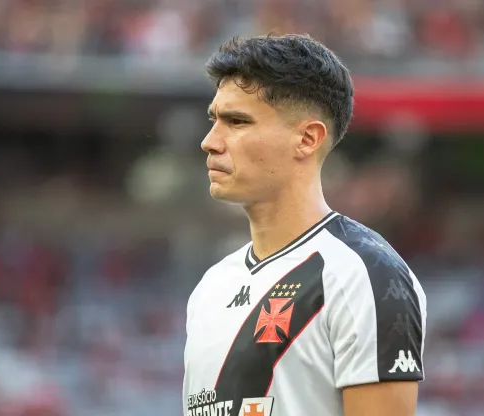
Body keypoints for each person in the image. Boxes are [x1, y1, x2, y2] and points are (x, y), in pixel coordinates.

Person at [183, 34, 427, 416]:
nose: (209, 142)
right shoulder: (210, 287)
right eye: (214, 120)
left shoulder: (366, 275)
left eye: (237, 122)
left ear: (307, 139)